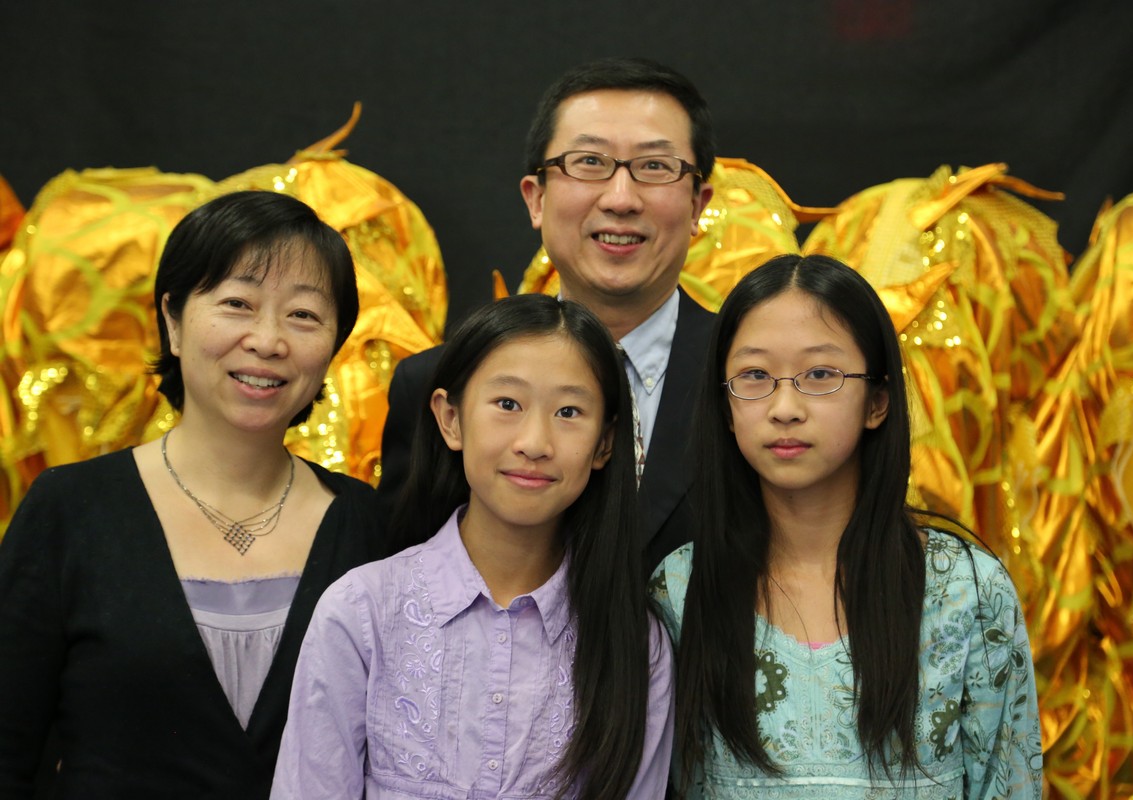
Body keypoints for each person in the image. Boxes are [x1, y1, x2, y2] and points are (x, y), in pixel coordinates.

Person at [0, 190, 388, 797]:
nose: (268, 340)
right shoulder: (69, 510)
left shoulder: (373, 528)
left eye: (303, 315)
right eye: (237, 304)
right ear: (174, 321)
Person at [652, 254, 1044, 798]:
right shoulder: (681, 587)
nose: (784, 407)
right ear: (725, 405)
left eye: (820, 374)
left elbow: (1008, 784)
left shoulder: (966, 590)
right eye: (755, 376)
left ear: (877, 401)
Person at [272, 294, 673, 799]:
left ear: (605, 443)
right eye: (507, 404)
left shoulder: (635, 643)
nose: (534, 442)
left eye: (569, 411)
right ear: (451, 419)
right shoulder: (362, 612)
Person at [378, 56, 716, 575]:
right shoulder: (437, 385)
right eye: (589, 162)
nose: (621, 198)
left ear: (697, 205)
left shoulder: (751, 379)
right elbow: (405, 583)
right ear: (536, 199)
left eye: (654, 167)